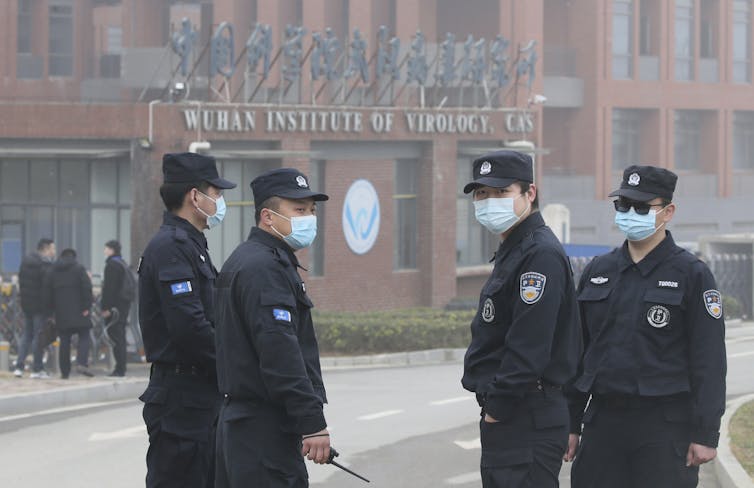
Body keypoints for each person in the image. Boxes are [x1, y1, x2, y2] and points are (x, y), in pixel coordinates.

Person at [566, 165, 727, 488]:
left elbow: (709, 361)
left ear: (668, 212)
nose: (629, 213)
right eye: (622, 206)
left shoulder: (692, 274)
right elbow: (578, 353)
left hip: (664, 427)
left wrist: (706, 433)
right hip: (603, 423)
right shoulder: (600, 270)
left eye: (641, 207)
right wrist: (570, 422)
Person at [461, 150, 582, 487]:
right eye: (481, 194)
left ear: (530, 193)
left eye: (501, 193)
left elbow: (529, 345)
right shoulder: (515, 250)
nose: (489, 202)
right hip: (515, 413)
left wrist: (497, 408)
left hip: (526, 413)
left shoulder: (538, 253)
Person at [214, 168, 331, 488]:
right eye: (299, 209)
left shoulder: (249, 259)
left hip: (245, 428)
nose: (309, 218)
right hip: (262, 432)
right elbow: (280, 353)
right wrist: (312, 423)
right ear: (268, 216)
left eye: (311, 210)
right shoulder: (264, 268)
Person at [138, 152, 236, 488]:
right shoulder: (171, 247)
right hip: (182, 400)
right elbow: (190, 328)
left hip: (199, 395)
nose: (221, 201)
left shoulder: (192, 245)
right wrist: (235, 367)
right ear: (195, 196)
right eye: (217, 193)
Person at [44, 248, 95, 379]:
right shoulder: (79, 269)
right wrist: (86, 306)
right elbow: (87, 288)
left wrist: (51, 312)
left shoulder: (53, 271)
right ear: (74, 257)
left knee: (64, 341)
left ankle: (65, 372)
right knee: (84, 335)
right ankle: (81, 362)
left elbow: (48, 293)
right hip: (79, 311)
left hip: (61, 313)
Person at [14, 238, 56, 378]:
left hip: (27, 305)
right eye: (52, 249)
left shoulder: (25, 262)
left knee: (27, 335)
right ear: (46, 249)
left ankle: (19, 367)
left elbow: (21, 283)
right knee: (39, 337)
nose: (54, 252)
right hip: (40, 307)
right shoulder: (44, 265)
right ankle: (37, 369)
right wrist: (50, 309)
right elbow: (47, 289)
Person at [101, 239, 132, 377]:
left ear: (111, 250)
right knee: (120, 336)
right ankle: (121, 367)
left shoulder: (112, 266)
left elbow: (109, 289)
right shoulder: (122, 263)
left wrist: (106, 307)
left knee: (116, 337)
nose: (104, 251)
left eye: (106, 248)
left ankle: (119, 369)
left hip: (115, 308)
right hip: (124, 305)